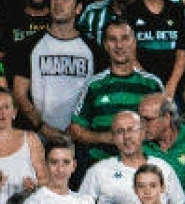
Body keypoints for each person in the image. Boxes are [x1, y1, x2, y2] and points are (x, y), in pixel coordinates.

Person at [9, 0, 100, 144]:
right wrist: (42, 127)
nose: (58, 2)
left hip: (81, 139)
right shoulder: (28, 45)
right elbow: (19, 94)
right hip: (37, 138)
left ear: (79, 8)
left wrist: (81, 129)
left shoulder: (93, 49)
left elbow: (97, 95)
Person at [70, 19, 165, 166]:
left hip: (144, 168)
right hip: (102, 166)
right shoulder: (94, 85)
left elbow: (165, 127)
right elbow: (76, 130)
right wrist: (106, 137)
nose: (119, 45)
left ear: (134, 42)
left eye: (125, 38)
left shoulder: (153, 84)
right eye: (112, 40)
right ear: (105, 45)